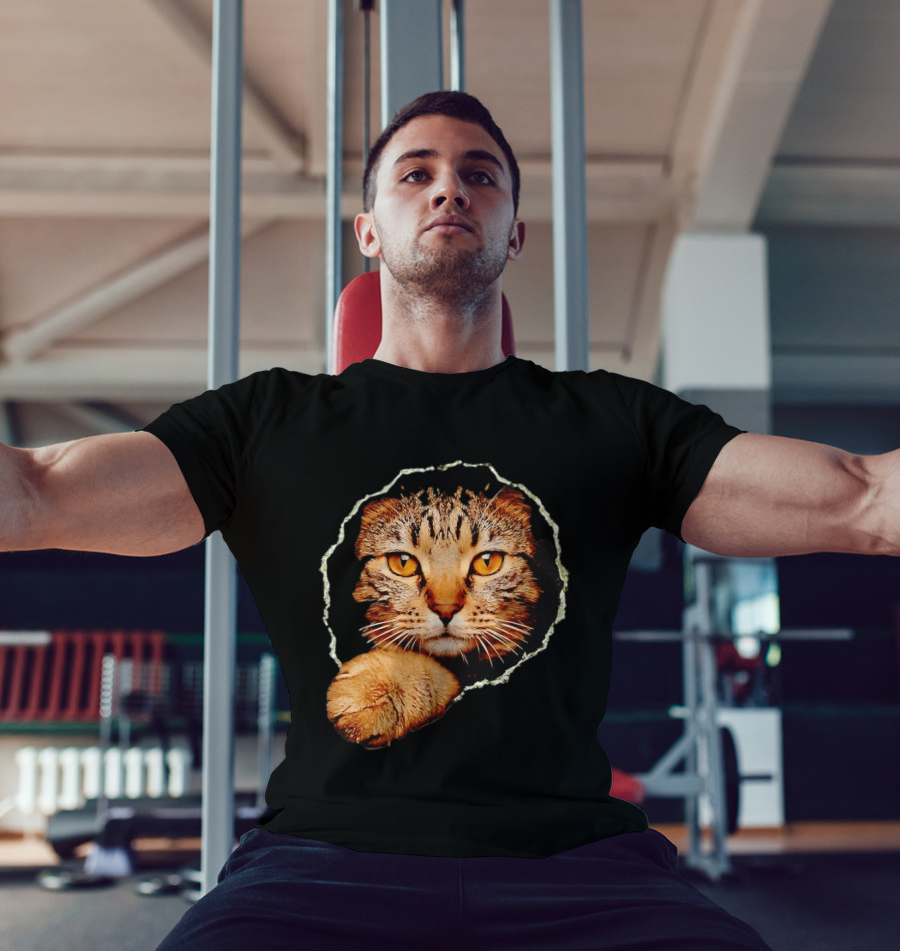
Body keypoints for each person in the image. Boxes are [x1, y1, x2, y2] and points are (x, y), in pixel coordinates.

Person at [4, 91, 898, 950]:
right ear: (368, 232)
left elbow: (861, 496)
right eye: (415, 172)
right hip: (320, 861)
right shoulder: (264, 423)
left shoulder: (614, 422)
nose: (448, 187)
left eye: (479, 174)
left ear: (515, 232)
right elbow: (41, 491)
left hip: (583, 866)